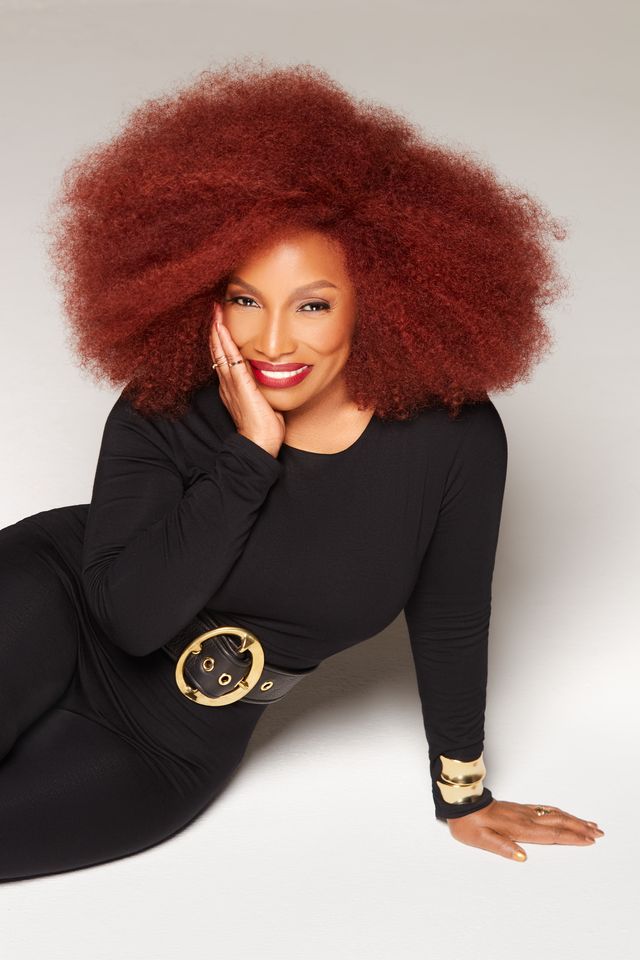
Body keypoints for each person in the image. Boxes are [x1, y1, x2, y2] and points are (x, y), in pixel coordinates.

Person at [0, 59, 604, 883]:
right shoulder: (165, 402)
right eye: (245, 299)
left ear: (379, 301)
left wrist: (463, 793)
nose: (273, 340)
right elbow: (130, 621)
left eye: (312, 304)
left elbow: (452, 616)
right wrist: (250, 453)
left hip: (177, 738)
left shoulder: (452, 440)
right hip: (53, 604)